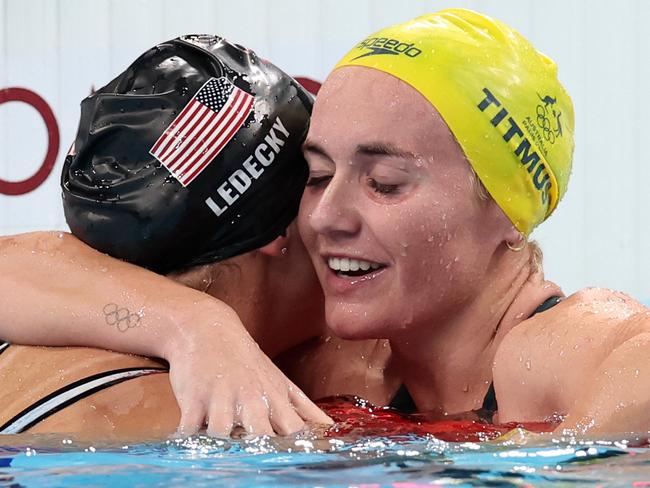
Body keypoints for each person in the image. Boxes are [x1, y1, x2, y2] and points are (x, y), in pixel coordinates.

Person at [289, 9, 650, 434]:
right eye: (318, 176)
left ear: (505, 205)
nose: (325, 215)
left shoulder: (552, 351)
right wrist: (200, 322)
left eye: (384, 183)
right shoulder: (341, 372)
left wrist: (541, 457)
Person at [0, 34, 343, 438]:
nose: (346, 211)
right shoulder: (203, 420)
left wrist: (195, 322)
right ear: (277, 224)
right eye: (321, 179)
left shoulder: (35, 334)